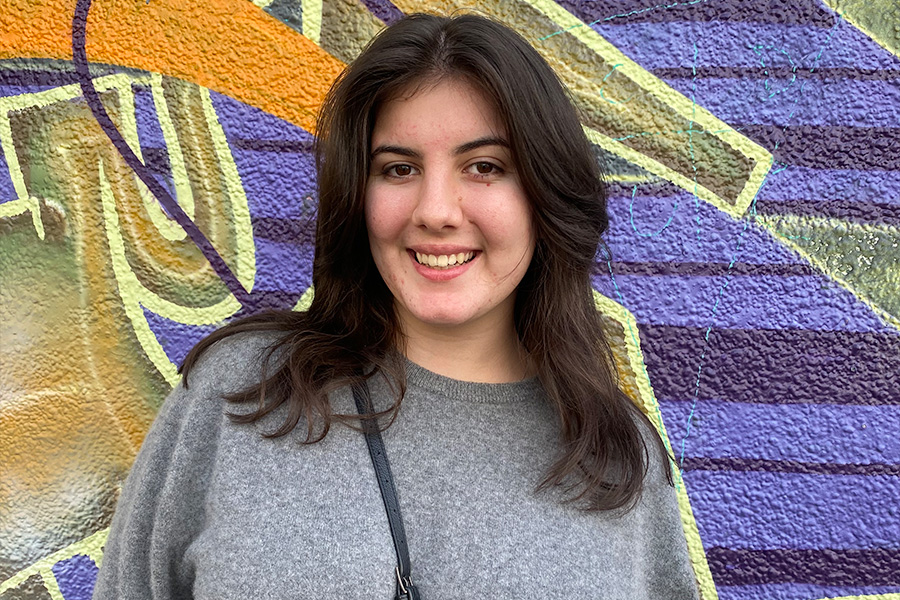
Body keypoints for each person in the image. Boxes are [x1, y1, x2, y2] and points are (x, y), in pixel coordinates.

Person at [92, 12, 699, 600]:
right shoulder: (240, 396)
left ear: (544, 194)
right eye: (399, 168)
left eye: (484, 167)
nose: (435, 210)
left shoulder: (620, 463)